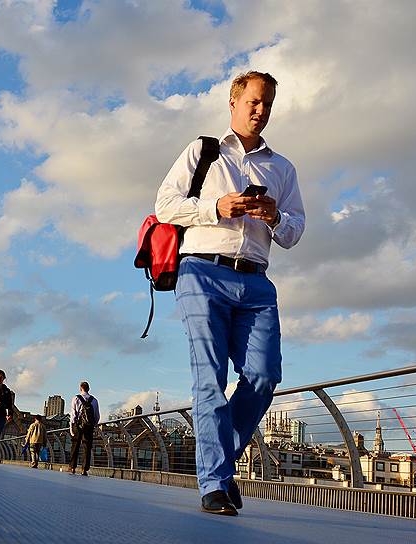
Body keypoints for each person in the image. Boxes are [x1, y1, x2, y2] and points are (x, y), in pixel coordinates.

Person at [155, 71, 305, 516]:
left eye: (268, 104)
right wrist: (216, 207)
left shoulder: (282, 168)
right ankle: (214, 484)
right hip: (202, 272)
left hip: (256, 281)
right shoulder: (204, 152)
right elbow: (165, 205)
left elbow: (294, 232)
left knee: (264, 375)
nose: (261, 110)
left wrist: (275, 217)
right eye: (254, 101)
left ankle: (220, 464)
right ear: (234, 102)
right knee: (211, 379)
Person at [68, 382, 100, 476]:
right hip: (89, 426)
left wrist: (71, 427)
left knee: (75, 446)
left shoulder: (76, 398)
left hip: (78, 425)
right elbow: (97, 416)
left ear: (80, 388)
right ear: (88, 389)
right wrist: (94, 425)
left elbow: (73, 415)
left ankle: (72, 467)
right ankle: (84, 469)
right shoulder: (94, 400)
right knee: (87, 447)